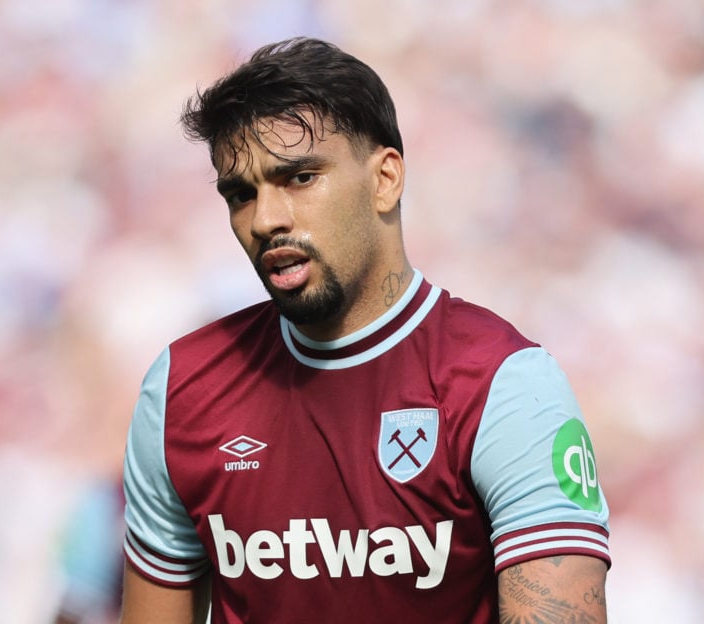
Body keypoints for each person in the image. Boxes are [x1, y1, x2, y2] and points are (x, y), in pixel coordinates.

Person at [120, 37, 610, 623]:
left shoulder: (503, 386)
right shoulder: (181, 391)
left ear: (385, 179)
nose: (265, 219)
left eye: (300, 178)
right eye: (240, 194)